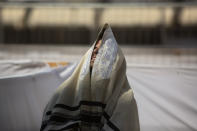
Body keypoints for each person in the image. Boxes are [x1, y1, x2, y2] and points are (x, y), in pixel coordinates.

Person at [40, 24, 140, 131]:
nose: (95, 58)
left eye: (102, 54)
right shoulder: (59, 96)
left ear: (116, 67)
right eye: (95, 52)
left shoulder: (126, 103)